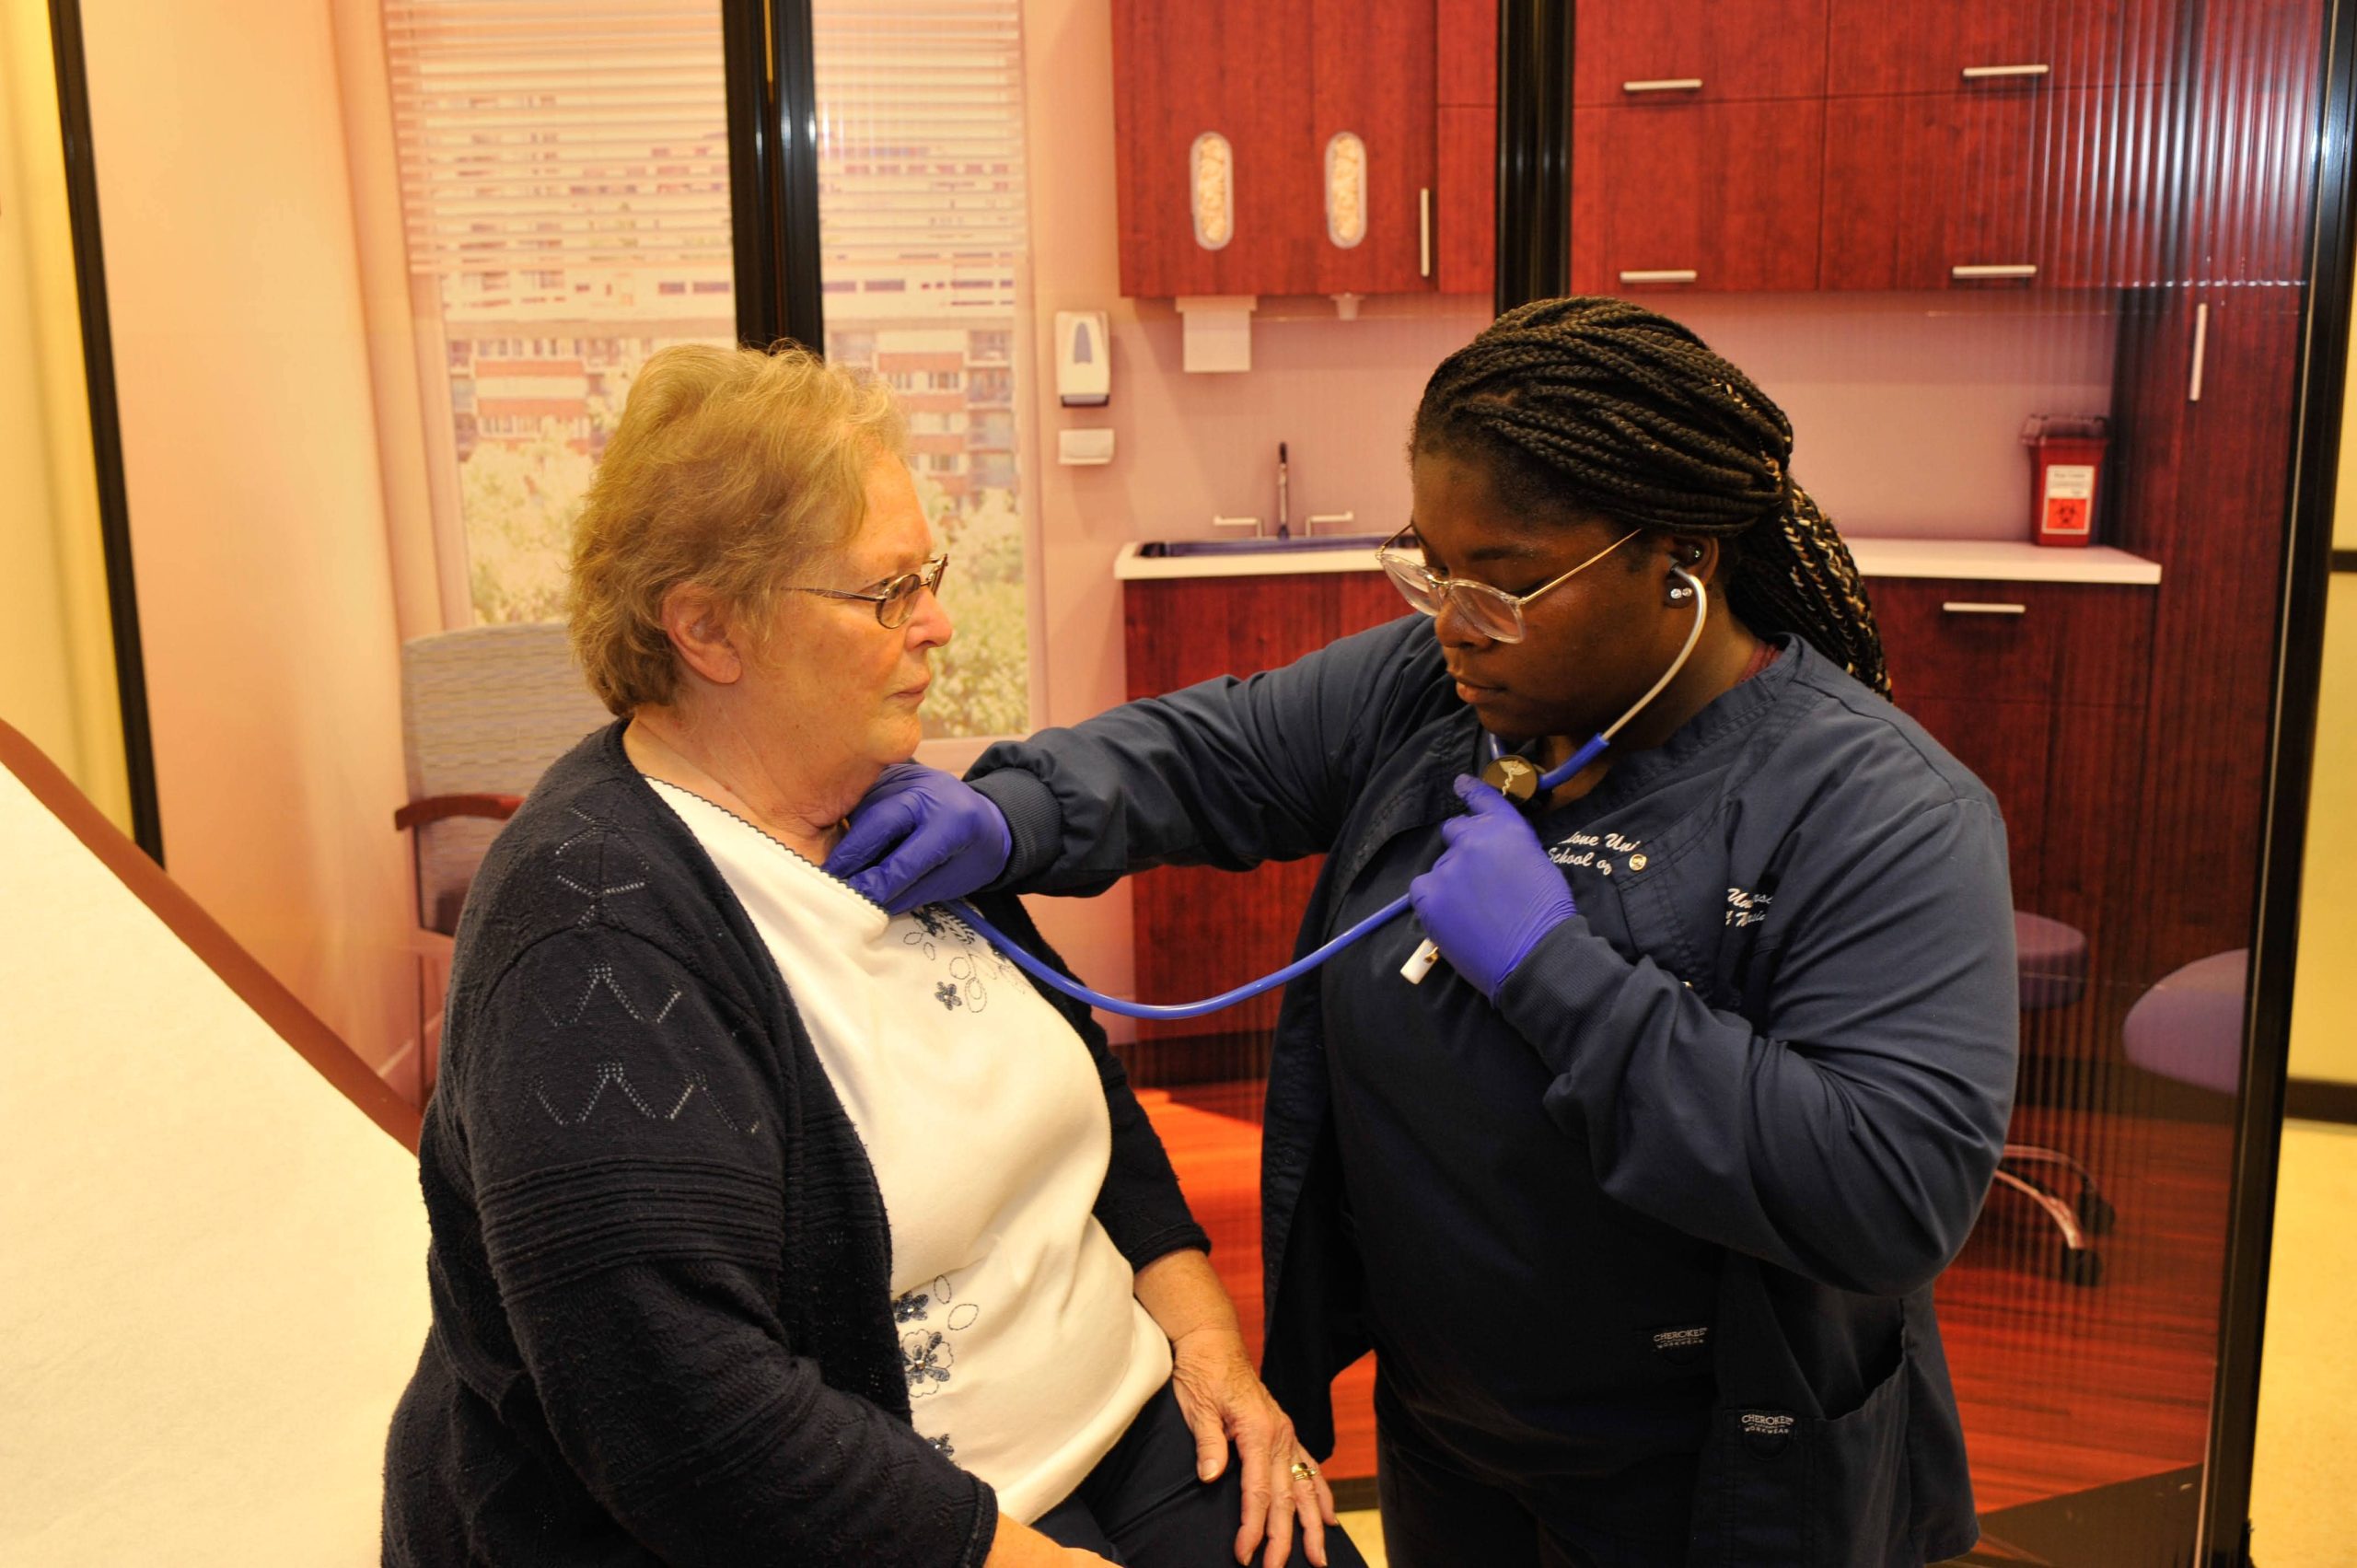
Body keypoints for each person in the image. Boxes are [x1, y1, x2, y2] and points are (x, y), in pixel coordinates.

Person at [826, 297, 2021, 1566]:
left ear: (1681, 559)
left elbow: (1888, 1190)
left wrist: (1557, 975)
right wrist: (1012, 815)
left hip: (1720, 1475)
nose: (1455, 621)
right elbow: (1216, 756)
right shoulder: (1443, 693)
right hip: (1451, 1438)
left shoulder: (1880, 811)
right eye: (1434, 569)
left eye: (1507, 586)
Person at [381, 343, 1368, 1568]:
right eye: (887, 592)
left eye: (929, 577)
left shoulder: (884, 813)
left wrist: (1210, 1346)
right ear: (706, 628)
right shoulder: (588, 932)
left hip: (1126, 1419)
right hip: (901, 1525)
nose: (939, 627)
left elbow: (1085, 1098)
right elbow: (683, 1418)